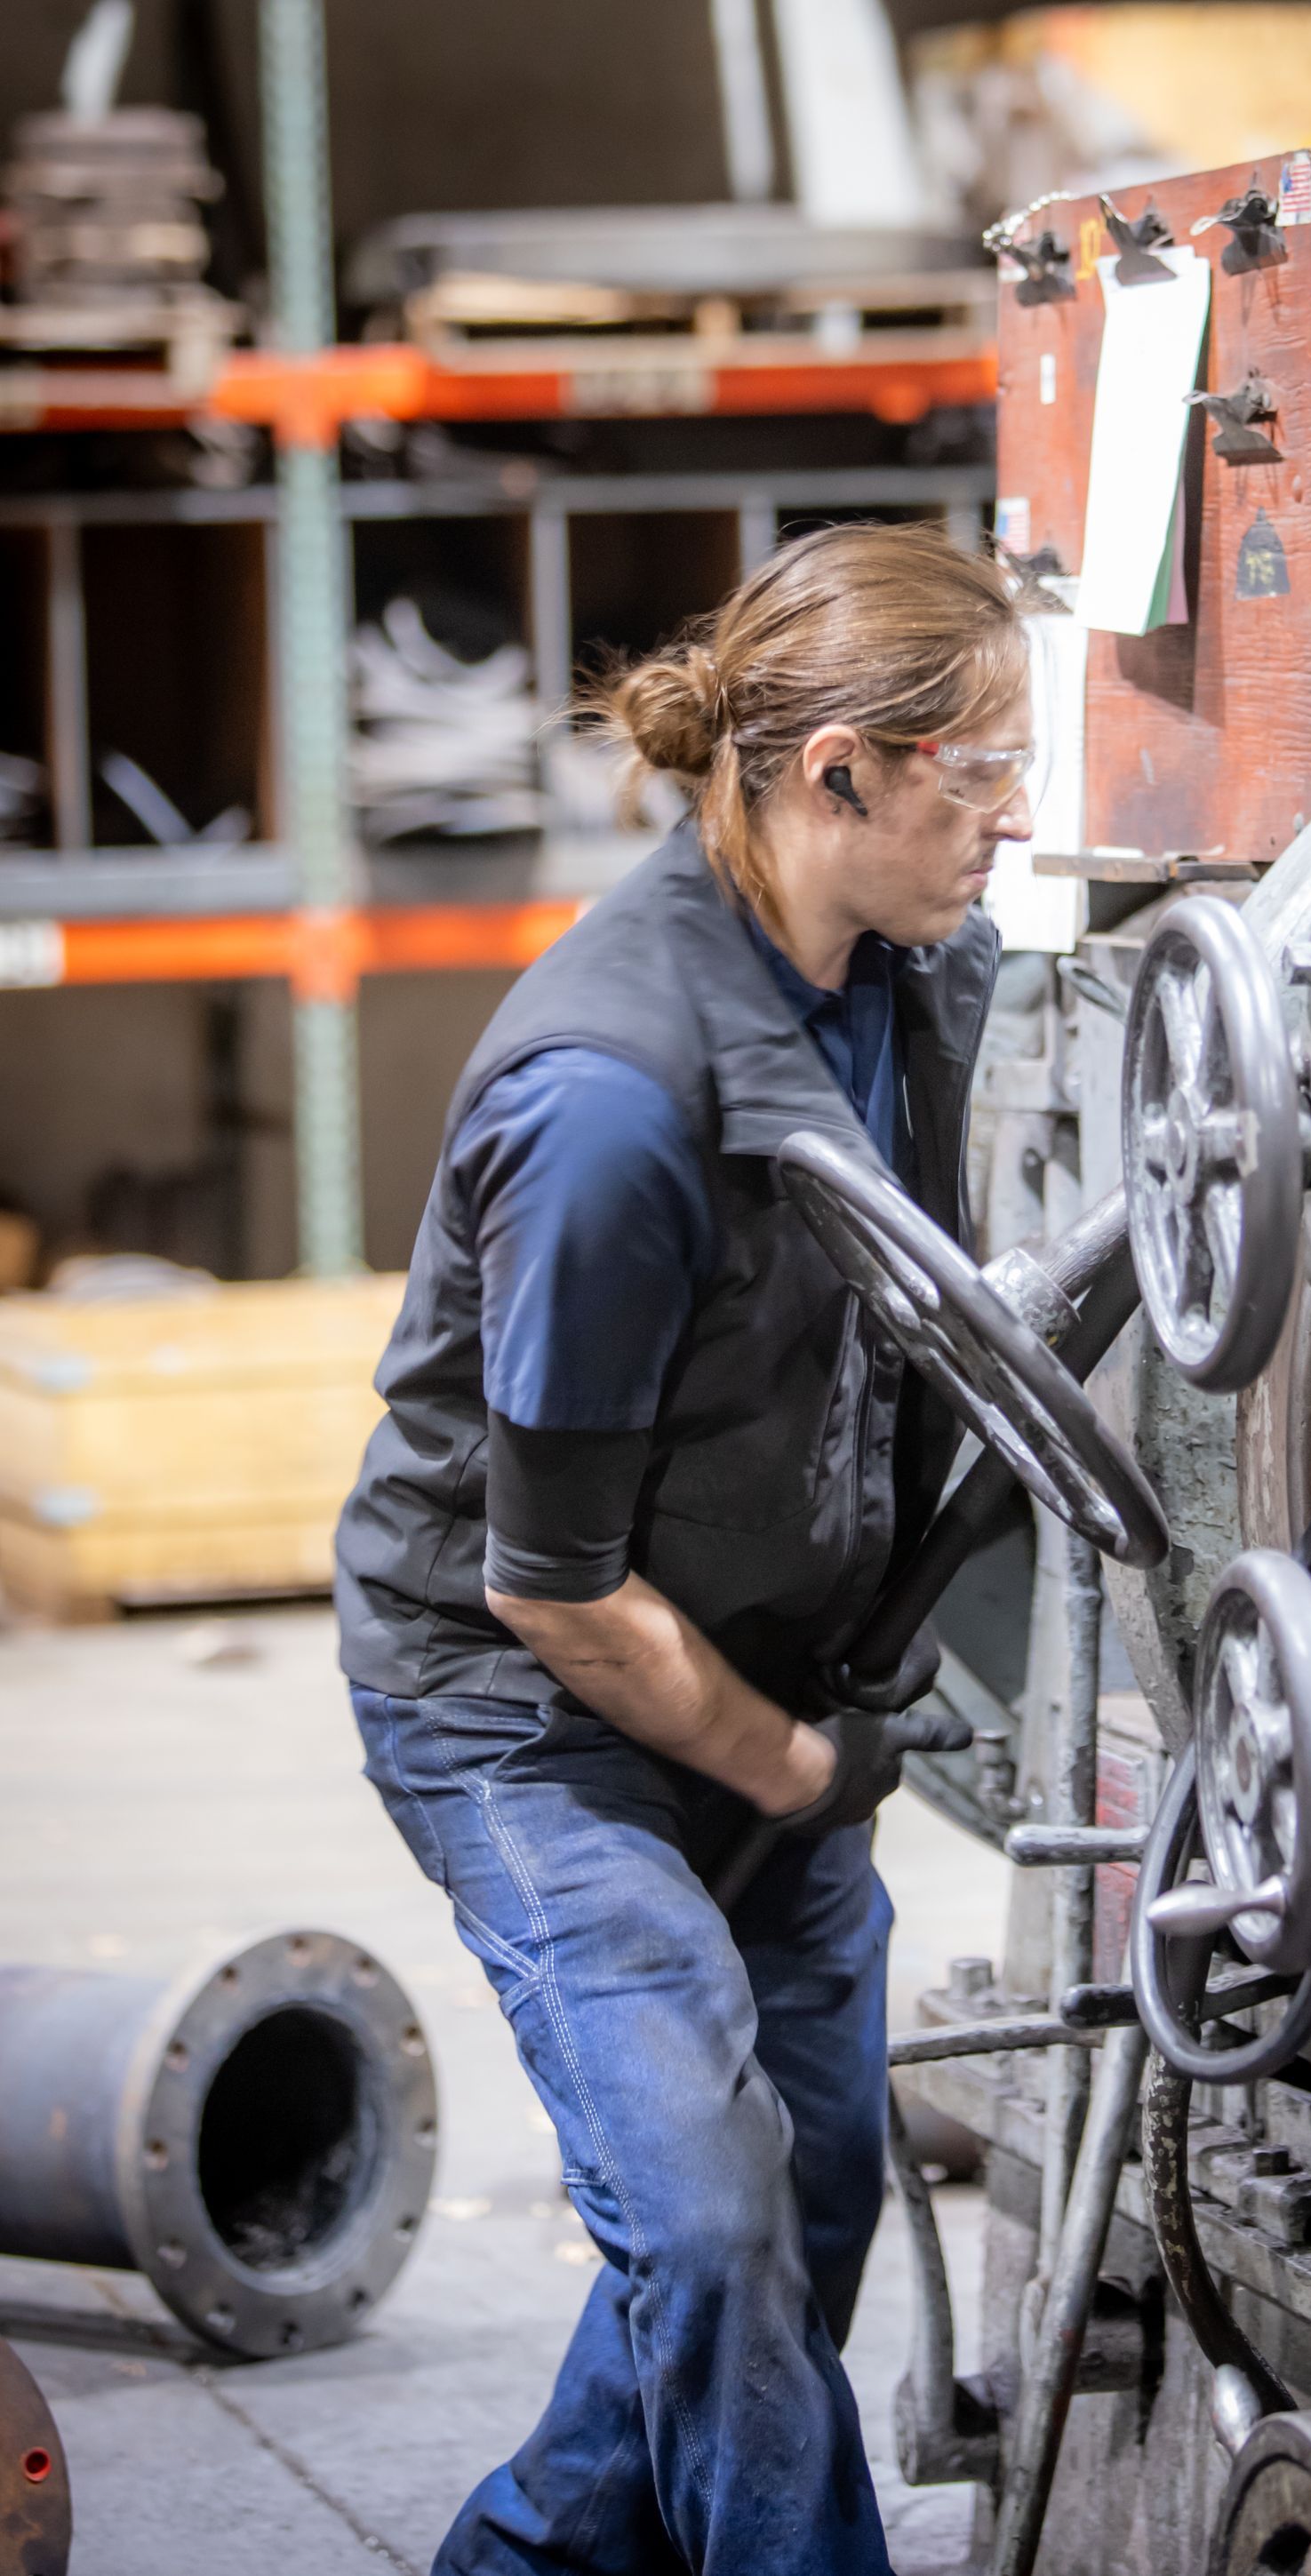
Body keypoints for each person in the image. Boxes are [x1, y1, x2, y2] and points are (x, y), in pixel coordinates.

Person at [335, 522, 1035, 2576]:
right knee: (711, 2222)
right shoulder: (613, 1100)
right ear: (840, 772)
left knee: (804, 2209)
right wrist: (801, 1775)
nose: (1020, 814)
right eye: (982, 773)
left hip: (758, 1662)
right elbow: (547, 1586)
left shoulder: (895, 969)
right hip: (535, 1708)